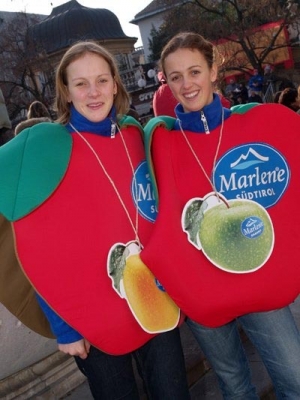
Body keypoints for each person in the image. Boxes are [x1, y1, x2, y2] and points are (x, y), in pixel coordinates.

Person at [0, 41, 190, 400]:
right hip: (90, 312)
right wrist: (64, 326)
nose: (93, 92)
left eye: (102, 80)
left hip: (153, 299)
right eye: (81, 83)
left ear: (115, 84)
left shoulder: (135, 136)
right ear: (66, 91)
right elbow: (38, 250)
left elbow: (158, 216)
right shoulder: (47, 150)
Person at [142, 32, 300, 399]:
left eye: (195, 71)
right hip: (198, 289)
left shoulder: (254, 128)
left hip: (257, 280)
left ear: (214, 71)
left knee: (295, 377)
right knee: (233, 385)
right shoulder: (160, 141)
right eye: (175, 76)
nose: (187, 84)